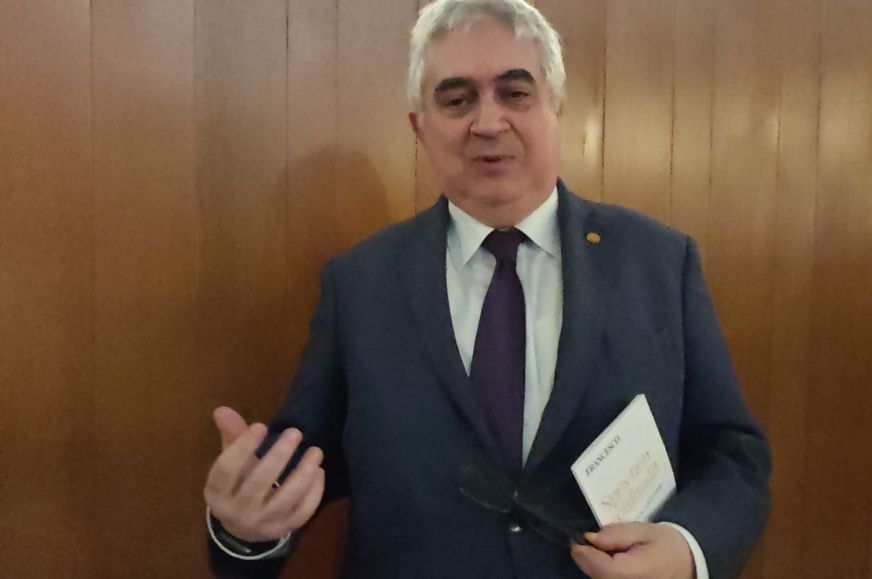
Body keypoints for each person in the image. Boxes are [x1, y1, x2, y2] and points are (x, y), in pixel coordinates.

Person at [203, 0, 771, 577]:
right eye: (457, 100)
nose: (488, 123)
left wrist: (687, 549)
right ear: (419, 127)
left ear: (555, 107)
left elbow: (733, 459)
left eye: (515, 93)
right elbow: (295, 474)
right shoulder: (360, 285)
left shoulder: (658, 263)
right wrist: (244, 528)